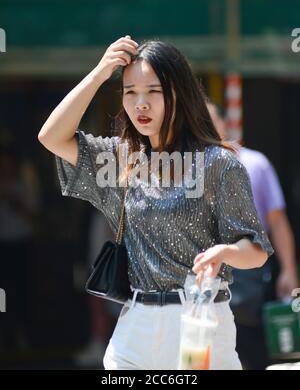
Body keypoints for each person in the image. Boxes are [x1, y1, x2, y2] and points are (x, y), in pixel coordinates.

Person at [38, 35, 274, 370]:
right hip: (136, 326)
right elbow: (51, 136)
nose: (141, 104)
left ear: (178, 94)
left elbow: (257, 250)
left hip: (199, 320)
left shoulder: (218, 163)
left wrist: (226, 253)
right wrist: (100, 73)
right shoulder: (119, 160)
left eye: (153, 91)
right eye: (130, 92)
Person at [208, 102, 298, 369]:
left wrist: (289, 269)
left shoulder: (254, 163)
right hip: (202, 274)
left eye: (211, 120)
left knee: (248, 347)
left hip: (246, 272)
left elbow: (277, 221)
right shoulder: (183, 166)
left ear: (225, 123)